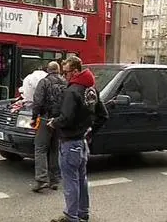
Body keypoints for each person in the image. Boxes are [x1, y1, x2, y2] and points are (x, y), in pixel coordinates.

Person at [47, 56, 109, 222]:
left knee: (70, 182)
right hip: (82, 142)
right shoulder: (91, 89)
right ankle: (83, 212)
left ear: (75, 71)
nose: (64, 76)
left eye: (66, 72)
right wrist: (89, 132)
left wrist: (54, 122)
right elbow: (103, 115)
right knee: (81, 180)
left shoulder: (72, 90)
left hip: (69, 142)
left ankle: (71, 216)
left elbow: (66, 118)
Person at [30, 61, 67, 192]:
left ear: (48, 70)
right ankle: (55, 180)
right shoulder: (65, 82)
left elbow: (37, 101)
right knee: (55, 149)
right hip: (59, 120)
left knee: (40, 148)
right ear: (58, 70)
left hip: (46, 119)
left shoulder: (44, 82)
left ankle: (41, 180)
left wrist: (34, 117)